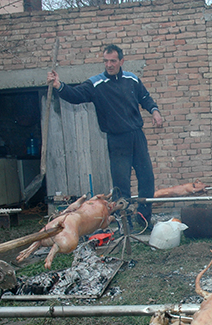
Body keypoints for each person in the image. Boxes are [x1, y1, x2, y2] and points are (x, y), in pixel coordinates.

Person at [47, 44, 163, 227]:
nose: (109, 65)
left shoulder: (132, 79)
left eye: (113, 61)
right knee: (121, 184)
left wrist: (155, 111)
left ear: (121, 61)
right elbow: (75, 95)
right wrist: (59, 86)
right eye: (106, 61)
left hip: (136, 137)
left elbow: (145, 98)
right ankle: (125, 223)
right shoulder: (96, 83)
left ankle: (143, 218)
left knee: (147, 177)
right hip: (117, 140)